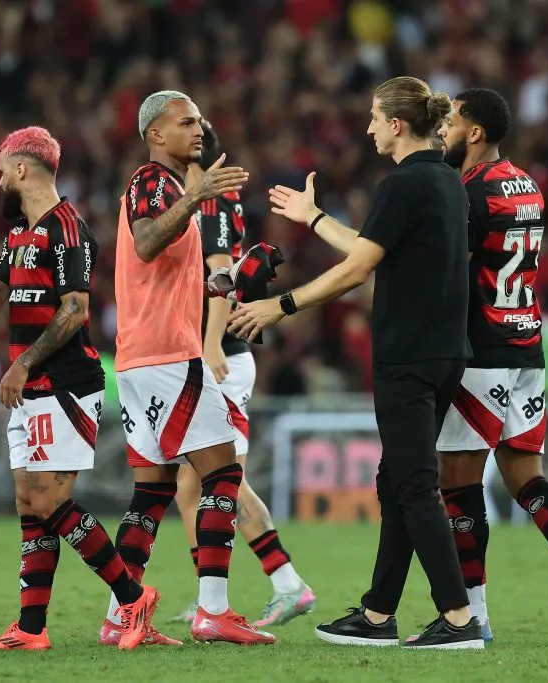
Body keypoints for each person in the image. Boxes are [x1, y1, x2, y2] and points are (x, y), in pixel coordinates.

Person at [230, 77, 483, 649]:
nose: (368, 128)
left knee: (414, 486)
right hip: (444, 353)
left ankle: (459, 619)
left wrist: (280, 305)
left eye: (373, 117)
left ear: (396, 124)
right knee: (396, 482)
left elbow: (357, 269)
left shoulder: (402, 185)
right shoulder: (447, 181)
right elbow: (373, 250)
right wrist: (315, 218)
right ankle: (376, 615)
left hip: (408, 356)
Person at [0, 126, 163, 652]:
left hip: (63, 382)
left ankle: (132, 597)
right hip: (30, 386)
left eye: (2, 171)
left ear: (22, 168)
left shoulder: (67, 228)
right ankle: (31, 629)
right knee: (30, 503)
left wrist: (23, 363)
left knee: (50, 500)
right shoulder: (19, 234)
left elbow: (75, 310)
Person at [435, 88, 548, 642]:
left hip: (482, 352)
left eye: (451, 121)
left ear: (475, 132)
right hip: (526, 346)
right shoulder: (527, 185)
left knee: (457, 484)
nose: (442, 129)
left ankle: (475, 615)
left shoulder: (469, 191)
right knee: (525, 476)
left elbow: (455, 269)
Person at [100, 90, 276, 646]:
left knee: (152, 492)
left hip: (140, 357)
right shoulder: (152, 180)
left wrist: (235, 278)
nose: (198, 129)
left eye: (199, 120)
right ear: (155, 134)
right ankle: (213, 611)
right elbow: (148, 243)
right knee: (222, 474)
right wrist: (196, 195)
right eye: (185, 122)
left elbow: (172, 276)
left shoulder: (167, 190)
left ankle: (119, 615)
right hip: (168, 356)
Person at [168, 120, 316, 627]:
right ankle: (211, 597)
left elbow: (219, 274)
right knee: (192, 488)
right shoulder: (199, 200)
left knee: (221, 480)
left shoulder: (210, 202)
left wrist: (211, 342)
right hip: (212, 354)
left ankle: (287, 584)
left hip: (222, 356)